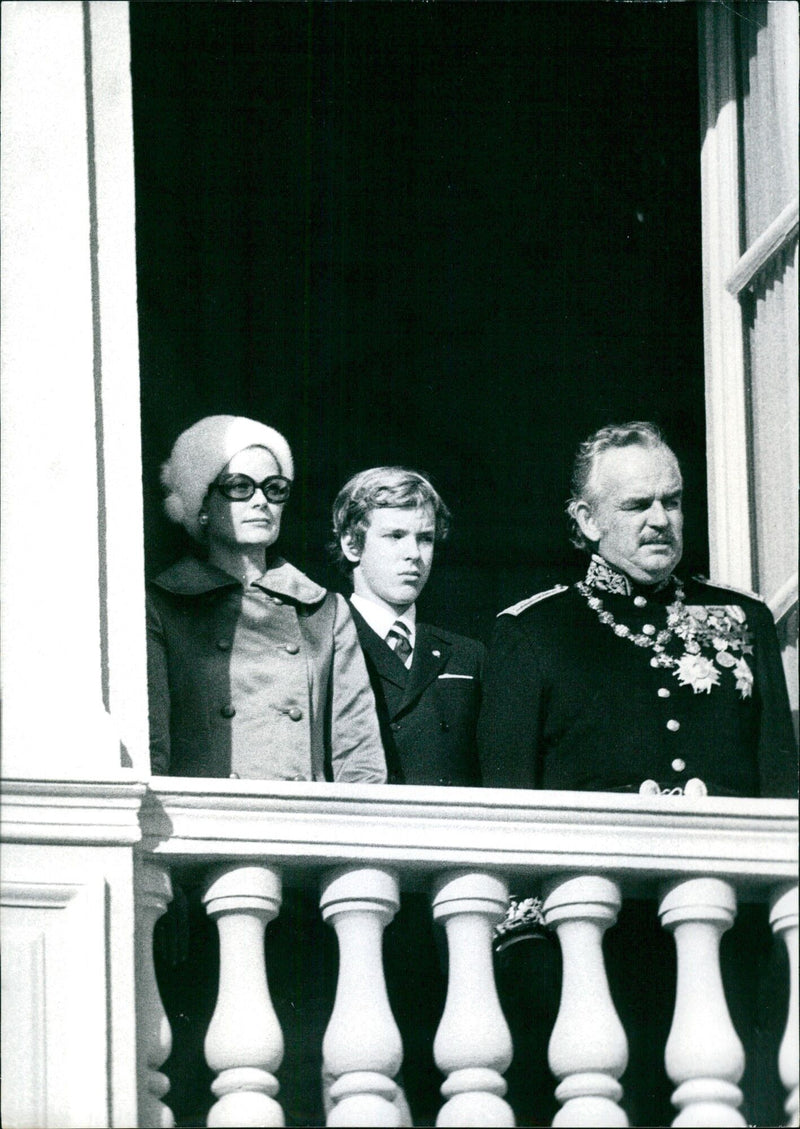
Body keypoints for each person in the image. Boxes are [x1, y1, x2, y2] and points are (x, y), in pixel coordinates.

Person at [478, 421, 797, 1126]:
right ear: (585, 519)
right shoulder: (532, 632)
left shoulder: (743, 621)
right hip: (594, 953)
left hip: (735, 944)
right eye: (636, 505)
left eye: (673, 501)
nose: (661, 519)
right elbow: (505, 815)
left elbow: (782, 787)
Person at [147, 415, 387, 1128]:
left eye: (274, 487)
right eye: (239, 486)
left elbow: (359, 760)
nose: (260, 501)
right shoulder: (164, 603)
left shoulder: (322, 609)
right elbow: (157, 746)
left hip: (302, 865)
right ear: (199, 501)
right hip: (206, 874)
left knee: (304, 1069)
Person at [331, 466, 484, 1125]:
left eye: (424, 538)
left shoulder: (470, 654)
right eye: (394, 535)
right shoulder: (321, 645)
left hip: (443, 901)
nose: (413, 554)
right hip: (356, 894)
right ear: (350, 544)